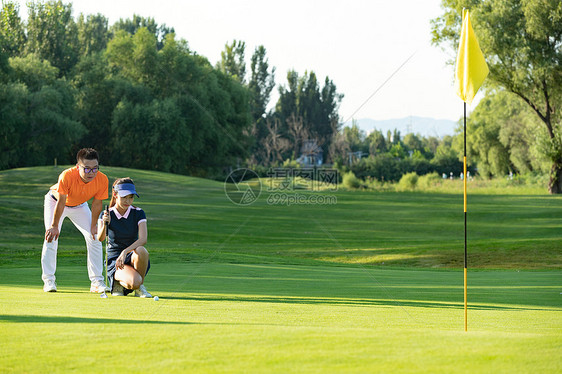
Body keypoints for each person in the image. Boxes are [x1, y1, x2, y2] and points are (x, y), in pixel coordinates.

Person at [42, 148, 110, 293]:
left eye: (95, 169)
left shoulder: (102, 179)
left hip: (80, 205)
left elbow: (97, 203)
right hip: (55, 202)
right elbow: (61, 202)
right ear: (78, 166)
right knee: (51, 237)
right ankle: (49, 281)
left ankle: (97, 282)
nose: (91, 173)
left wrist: (93, 226)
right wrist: (54, 226)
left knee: (95, 237)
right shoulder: (67, 175)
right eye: (87, 169)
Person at [98, 178, 152, 297]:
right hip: (114, 260)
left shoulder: (138, 212)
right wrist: (105, 223)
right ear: (115, 195)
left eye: (131, 197)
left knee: (141, 250)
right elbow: (100, 238)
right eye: (124, 197)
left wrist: (125, 251)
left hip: (132, 255)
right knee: (133, 281)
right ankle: (118, 283)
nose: (128, 201)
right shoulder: (106, 213)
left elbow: (143, 239)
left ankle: (139, 287)